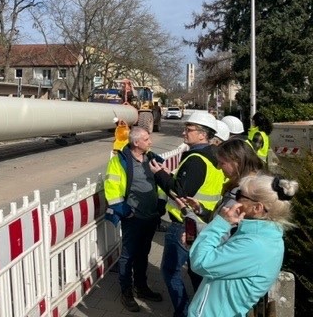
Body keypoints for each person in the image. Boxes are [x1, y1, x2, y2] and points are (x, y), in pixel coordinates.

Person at [188, 174, 298, 317]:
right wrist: (200, 243)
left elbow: (200, 262)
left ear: (257, 208)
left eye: (240, 195)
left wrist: (221, 222)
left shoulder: (255, 245)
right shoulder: (264, 237)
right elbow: (223, 259)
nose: (235, 199)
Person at [149, 111, 225, 317]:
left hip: (185, 224)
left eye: (189, 129)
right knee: (195, 268)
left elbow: (179, 192)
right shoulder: (213, 156)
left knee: (170, 270)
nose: (184, 132)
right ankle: (203, 308)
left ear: (202, 134)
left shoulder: (196, 159)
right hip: (201, 222)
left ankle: (184, 312)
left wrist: (160, 174)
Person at [174, 140, 266, 290]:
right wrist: (201, 209)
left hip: (216, 260)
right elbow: (223, 221)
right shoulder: (241, 188)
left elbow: (222, 233)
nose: (218, 167)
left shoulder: (244, 196)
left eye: (222, 163)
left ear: (236, 162)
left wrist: (187, 213)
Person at [104, 126, 166, 312]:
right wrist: (125, 211)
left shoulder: (153, 159)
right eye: (146, 139)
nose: (150, 142)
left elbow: (161, 184)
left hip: (150, 216)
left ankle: (141, 287)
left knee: (143, 253)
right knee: (128, 256)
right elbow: (112, 188)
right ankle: (126, 292)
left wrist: (160, 204)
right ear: (136, 142)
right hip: (133, 218)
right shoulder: (119, 161)